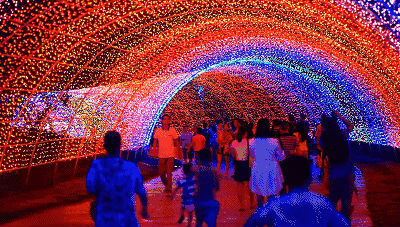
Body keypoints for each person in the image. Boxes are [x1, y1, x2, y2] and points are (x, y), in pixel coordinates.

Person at [244, 156, 350, 227]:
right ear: (309, 179)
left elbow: (251, 222)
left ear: (285, 179)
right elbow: (344, 224)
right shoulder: (322, 203)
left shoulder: (275, 205)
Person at [86, 131, 149, 227]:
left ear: (104, 146)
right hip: (127, 220)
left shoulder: (97, 166)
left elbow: (90, 188)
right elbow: (141, 191)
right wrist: (144, 209)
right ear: (120, 146)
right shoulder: (131, 167)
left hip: (105, 219)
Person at [321, 111, 354, 221]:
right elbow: (350, 126)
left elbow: (326, 161)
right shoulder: (342, 135)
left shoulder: (324, 140)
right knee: (346, 203)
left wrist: (326, 179)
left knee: (333, 203)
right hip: (348, 173)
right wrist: (340, 116)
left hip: (334, 175)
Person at [249, 118, 286, 208]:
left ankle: (260, 213)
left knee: (259, 192)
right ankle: (271, 213)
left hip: (258, 167)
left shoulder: (252, 142)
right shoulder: (274, 141)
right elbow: (281, 157)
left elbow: (252, 155)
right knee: (272, 192)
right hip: (272, 168)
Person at [153, 114, 180, 196]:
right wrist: (155, 152)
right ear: (162, 120)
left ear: (169, 120)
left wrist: (178, 152)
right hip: (161, 154)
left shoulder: (172, 130)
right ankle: (167, 185)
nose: (166, 120)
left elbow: (176, 141)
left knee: (169, 172)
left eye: (167, 119)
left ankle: (169, 189)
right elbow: (155, 142)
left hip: (170, 154)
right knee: (161, 173)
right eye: (164, 119)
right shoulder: (158, 130)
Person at [230, 126, 256, 211]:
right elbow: (252, 155)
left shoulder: (233, 142)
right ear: (246, 133)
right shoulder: (249, 142)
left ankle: (241, 205)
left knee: (240, 187)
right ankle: (252, 203)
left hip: (238, 164)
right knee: (249, 186)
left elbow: (233, 154)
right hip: (247, 165)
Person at [193, 149, 220, 227]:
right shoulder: (214, 172)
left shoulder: (196, 172)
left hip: (198, 201)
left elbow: (194, 188)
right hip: (210, 201)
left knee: (198, 222)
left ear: (199, 159)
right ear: (210, 158)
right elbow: (217, 187)